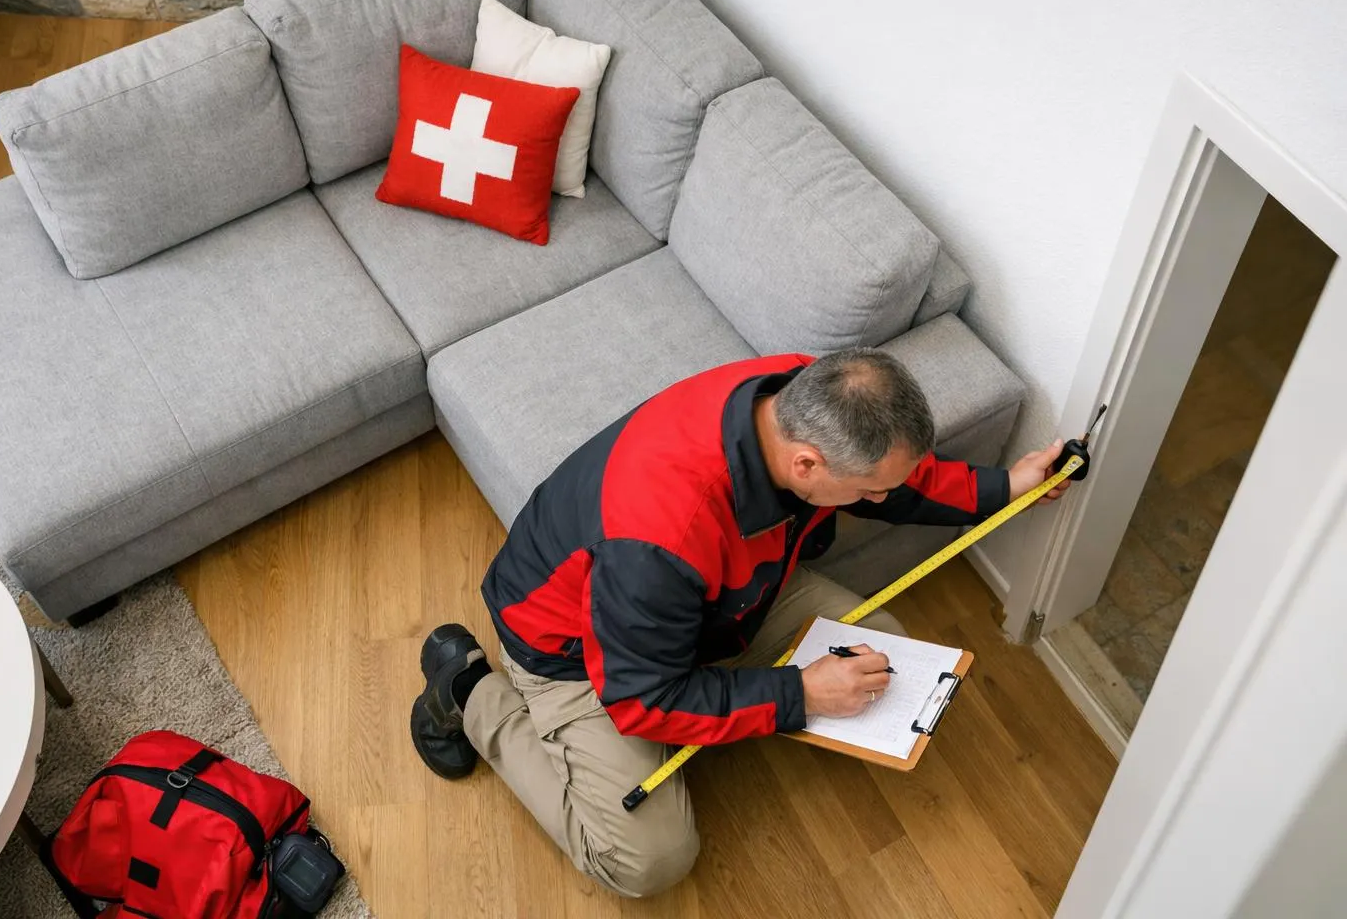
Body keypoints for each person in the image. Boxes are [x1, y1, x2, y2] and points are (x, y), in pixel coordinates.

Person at [409, 349, 1070, 897]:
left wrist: (1002, 487)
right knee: (649, 860)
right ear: (807, 465)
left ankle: (734, 685)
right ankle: (470, 694)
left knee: (884, 651)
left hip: (722, 600)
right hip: (576, 651)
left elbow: (895, 475)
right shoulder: (660, 537)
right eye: (868, 492)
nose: (878, 501)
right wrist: (801, 695)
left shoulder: (806, 392)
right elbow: (644, 699)